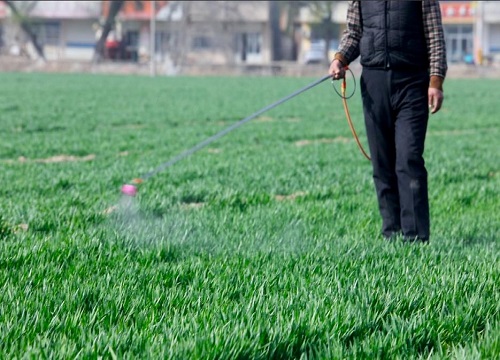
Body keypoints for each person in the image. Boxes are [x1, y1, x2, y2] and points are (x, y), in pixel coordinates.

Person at [329, 1, 447, 242]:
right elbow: (354, 32)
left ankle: (415, 237)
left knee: (409, 159)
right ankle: (391, 233)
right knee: (382, 163)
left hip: (412, 83)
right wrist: (340, 58)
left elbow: (435, 35)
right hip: (373, 84)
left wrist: (435, 81)